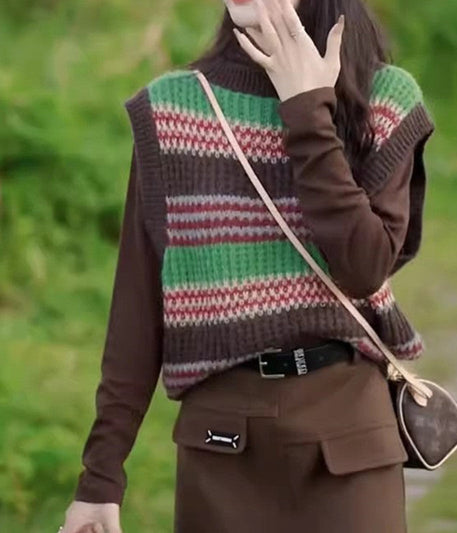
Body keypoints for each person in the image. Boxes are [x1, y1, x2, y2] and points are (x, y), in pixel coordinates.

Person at [61, 0, 434, 531]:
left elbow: (363, 267)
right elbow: (137, 312)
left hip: (349, 445)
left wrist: (307, 112)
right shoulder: (173, 109)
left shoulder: (384, 98)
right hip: (221, 452)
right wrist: (100, 477)